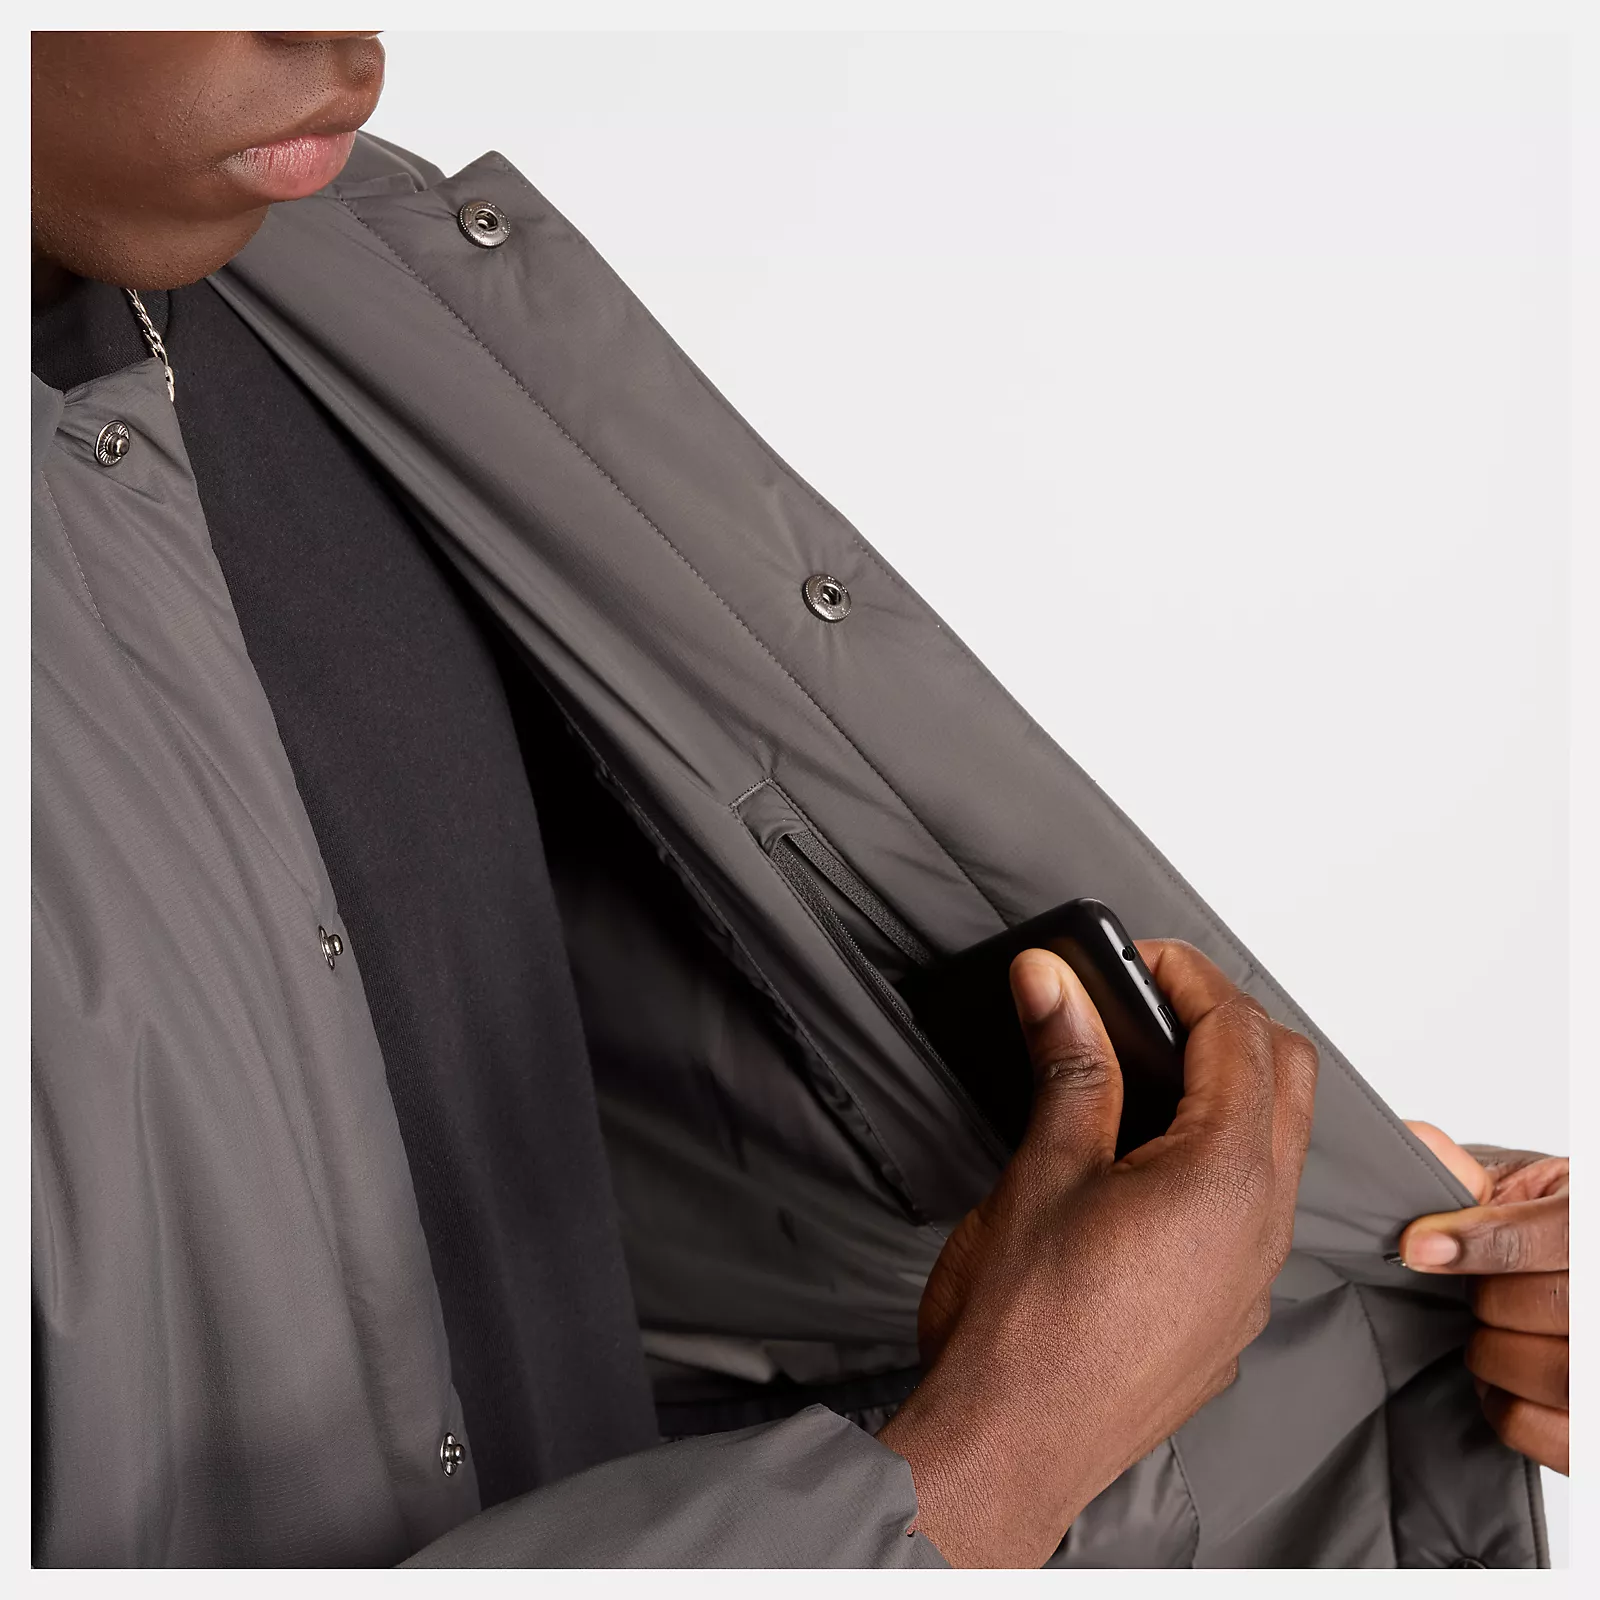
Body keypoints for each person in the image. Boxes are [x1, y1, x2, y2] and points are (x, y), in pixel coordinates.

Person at [30, 31, 1567, 1568]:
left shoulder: (327, 293)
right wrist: (984, 1470)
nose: (341, 34)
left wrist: (1327, 1245)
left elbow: (568, 1220)